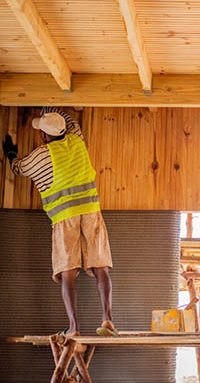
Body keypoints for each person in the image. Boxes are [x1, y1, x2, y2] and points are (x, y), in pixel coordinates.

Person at [2, 107, 117, 338]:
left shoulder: (40, 156)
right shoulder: (77, 139)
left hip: (65, 218)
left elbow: (18, 168)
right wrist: (50, 109)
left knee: (67, 271)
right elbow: (70, 120)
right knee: (101, 266)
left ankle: (74, 327)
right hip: (91, 211)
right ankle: (107, 319)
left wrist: (11, 154)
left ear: (43, 135)